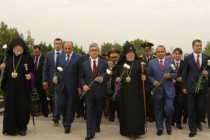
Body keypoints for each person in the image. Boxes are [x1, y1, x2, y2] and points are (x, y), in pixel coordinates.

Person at [1, 37, 35, 136]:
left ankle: (22, 128)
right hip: (9, 89)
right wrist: (1, 67)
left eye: (20, 46)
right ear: (12, 47)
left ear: (23, 46)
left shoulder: (27, 57)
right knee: (10, 108)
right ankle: (10, 128)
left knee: (22, 108)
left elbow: (33, 72)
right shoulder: (6, 56)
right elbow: (2, 71)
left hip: (23, 89)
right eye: (16, 46)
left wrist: (30, 76)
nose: (18, 48)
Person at [113, 41, 146, 138]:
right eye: (128, 52)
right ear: (125, 54)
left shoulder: (139, 63)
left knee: (136, 113)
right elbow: (115, 76)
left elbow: (144, 75)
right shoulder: (120, 65)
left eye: (132, 52)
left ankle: (136, 131)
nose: (131, 54)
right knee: (127, 113)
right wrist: (117, 79)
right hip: (125, 94)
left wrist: (144, 78)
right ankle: (127, 131)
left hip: (137, 94)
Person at [80, 43, 109, 140]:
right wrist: (83, 85)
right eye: (92, 50)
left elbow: (108, 74)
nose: (94, 52)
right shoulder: (84, 64)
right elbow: (81, 77)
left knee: (98, 112)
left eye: (96, 50)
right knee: (89, 112)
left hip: (100, 92)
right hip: (88, 93)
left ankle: (97, 125)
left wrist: (102, 78)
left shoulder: (104, 62)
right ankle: (90, 133)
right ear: (89, 52)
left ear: (99, 51)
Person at [182, 39, 210, 137]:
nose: (199, 47)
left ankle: (198, 122)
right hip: (190, 87)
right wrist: (184, 86)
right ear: (193, 47)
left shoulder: (207, 57)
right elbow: (184, 73)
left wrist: (208, 73)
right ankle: (193, 129)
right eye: (197, 45)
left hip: (202, 87)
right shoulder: (188, 58)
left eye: (200, 45)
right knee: (191, 109)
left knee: (201, 108)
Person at [147, 45, 177, 136]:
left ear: (164, 52)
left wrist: (170, 76)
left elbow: (175, 73)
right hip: (157, 90)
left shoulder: (171, 61)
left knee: (169, 108)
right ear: (156, 53)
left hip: (169, 90)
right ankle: (159, 128)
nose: (160, 53)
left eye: (162, 51)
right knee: (158, 110)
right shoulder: (151, 63)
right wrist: (153, 81)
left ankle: (168, 125)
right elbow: (149, 75)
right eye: (158, 52)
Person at [53, 41, 82, 134]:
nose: (67, 50)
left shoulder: (78, 58)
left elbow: (80, 73)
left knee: (70, 107)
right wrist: (55, 76)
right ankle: (66, 119)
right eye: (65, 49)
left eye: (69, 48)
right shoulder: (60, 56)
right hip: (61, 86)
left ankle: (67, 125)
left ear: (72, 48)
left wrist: (79, 86)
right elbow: (55, 69)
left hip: (73, 86)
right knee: (61, 104)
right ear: (63, 48)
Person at [42, 38, 63, 125]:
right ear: (54, 44)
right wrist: (44, 81)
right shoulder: (49, 54)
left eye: (59, 43)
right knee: (54, 98)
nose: (57, 45)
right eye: (56, 43)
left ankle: (60, 114)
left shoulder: (65, 54)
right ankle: (56, 116)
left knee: (61, 98)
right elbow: (45, 68)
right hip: (51, 81)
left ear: (61, 45)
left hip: (62, 81)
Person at [140, 41, 156, 122]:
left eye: (148, 50)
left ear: (151, 50)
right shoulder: (140, 59)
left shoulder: (155, 58)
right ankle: (145, 116)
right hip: (144, 83)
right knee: (145, 101)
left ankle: (152, 116)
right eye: (145, 51)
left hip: (153, 83)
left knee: (152, 100)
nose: (147, 52)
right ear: (143, 51)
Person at [171, 48, 186, 129]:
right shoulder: (169, 62)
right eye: (175, 53)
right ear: (173, 54)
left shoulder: (184, 63)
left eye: (179, 54)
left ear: (181, 55)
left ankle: (178, 122)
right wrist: (171, 79)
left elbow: (187, 73)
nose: (177, 55)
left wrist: (182, 78)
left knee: (179, 104)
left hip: (181, 87)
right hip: (171, 87)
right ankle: (172, 121)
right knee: (172, 104)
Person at [33, 45, 49, 117]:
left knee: (43, 97)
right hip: (33, 81)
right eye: (34, 52)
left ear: (40, 51)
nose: (35, 53)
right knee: (38, 97)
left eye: (36, 52)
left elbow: (47, 71)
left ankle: (45, 113)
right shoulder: (32, 58)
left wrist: (46, 81)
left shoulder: (45, 58)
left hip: (42, 81)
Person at [107, 48, 121, 122]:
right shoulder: (107, 64)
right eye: (112, 57)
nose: (114, 58)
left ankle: (120, 117)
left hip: (118, 87)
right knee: (110, 103)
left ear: (118, 56)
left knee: (119, 103)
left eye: (115, 57)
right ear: (109, 57)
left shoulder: (121, 64)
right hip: (109, 87)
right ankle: (111, 118)